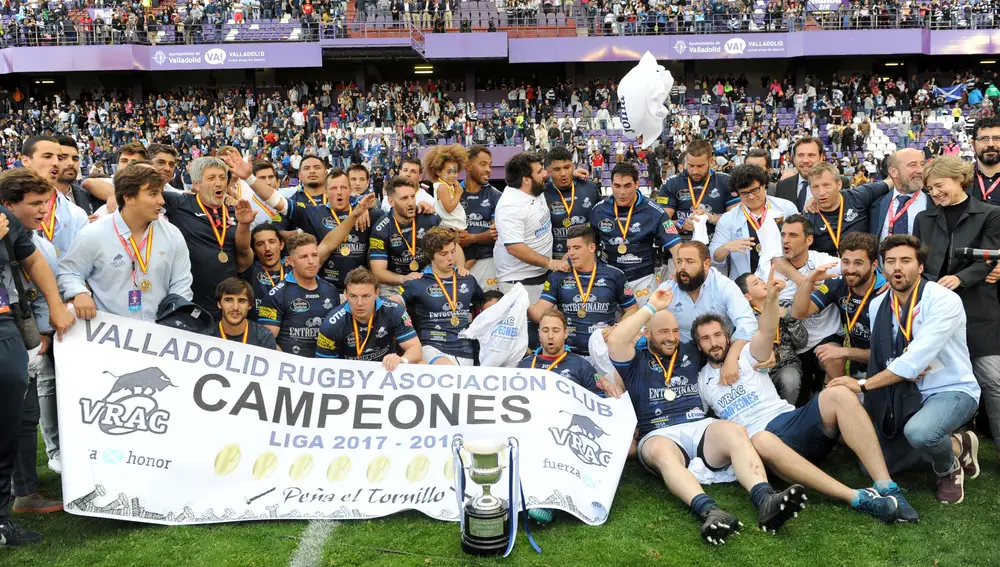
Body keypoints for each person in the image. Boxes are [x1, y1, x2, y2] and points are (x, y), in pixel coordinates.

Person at [695, 268, 914, 524]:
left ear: (727, 336)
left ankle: (887, 485)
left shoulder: (745, 355)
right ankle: (857, 498)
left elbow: (765, 332)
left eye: (718, 335)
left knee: (839, 394)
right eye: (706, 339)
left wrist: (772, 298)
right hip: (764, 450)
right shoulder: (702, 381)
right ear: (699, 346)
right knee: (761, 439)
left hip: (790, 423)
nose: (714, 343)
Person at [607, 287, 806, 544]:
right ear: (647, 334)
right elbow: (615, 341)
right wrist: (652, 307)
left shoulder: (691, 351)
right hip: (658, 431)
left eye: (675, 331)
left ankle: (765, 499)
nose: (671, 337)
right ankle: (710, 511)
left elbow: (730, 339)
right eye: (663, 332)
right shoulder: (635, 362)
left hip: (699, 425)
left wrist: (749, 355)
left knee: (734, 431)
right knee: (661, 453)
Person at [828, 235, 982, 504]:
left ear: (920, 267)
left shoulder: (944, 300)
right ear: (882, 268)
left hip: (950, 388)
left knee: (920, 433)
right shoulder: (878, 305)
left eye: (906, 261)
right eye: (891, 262)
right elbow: (889, 357)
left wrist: (862, 385)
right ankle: (959, 445)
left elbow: (914, 361)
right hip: (903, 391)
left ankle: (948, 468)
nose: (897, 268)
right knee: (872, 464)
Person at [0, 169, 76, 546]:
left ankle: (5, 519)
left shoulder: (12, 227)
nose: (43, 209)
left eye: (45, 202)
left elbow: (35, 263)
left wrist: (56, 306)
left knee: (12, 424)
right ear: (9, 203)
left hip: (7, 328)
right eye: (35, 204)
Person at [914, 156, 1000, 460]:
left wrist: (960, 279)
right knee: (938, 381)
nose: (934, 193)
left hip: (978, 312)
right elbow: (918, 262)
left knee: (993, 381)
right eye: (929, 189)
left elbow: (989, 258)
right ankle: (952, 446)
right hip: (934, 314)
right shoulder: (924, 219)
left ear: (958, 178)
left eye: (938, 186)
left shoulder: (991, 214)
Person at [518, 307, 623, 525]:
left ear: (566, 333)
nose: (550, 335)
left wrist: (607, 386)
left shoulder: (579, 364)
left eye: (556, 330)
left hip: (566, 430)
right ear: (538, 333)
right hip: (532, 426)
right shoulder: (524, 365)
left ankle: (546, 502)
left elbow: (596, 399)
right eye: (545, 330)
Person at [58, 163, 193, 321]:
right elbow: (69, 272)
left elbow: (181, 284)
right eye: (153, 194)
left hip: (161, 331)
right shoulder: (93, 234)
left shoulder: (172, 234)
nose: (162, 201)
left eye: (161, 193)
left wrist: (174, 319)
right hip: (112, 334)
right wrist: (79, 292)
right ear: (128, 197)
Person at [160, 156, 254, 319]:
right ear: (196, 184)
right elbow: (142, 191)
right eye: (211, 178)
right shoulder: (179, 203)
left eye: (222, 177)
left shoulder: (233, 210)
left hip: (227, 301)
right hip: (193, 300)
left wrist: (244, 225)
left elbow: (242, 252)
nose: (219, 183)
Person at [655, 241, 759, 384]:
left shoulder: (724, 286)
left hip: (721, 351)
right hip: (683, 356)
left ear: (706, 264)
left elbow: (748, 325)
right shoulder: (666, 290)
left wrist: (731, 358)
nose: (682, 267)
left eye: (689, 261)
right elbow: (646, 328)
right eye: (679, 262)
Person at [529, 225, 636, 358]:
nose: (570, 253)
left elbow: (633, 309)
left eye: (576, 248)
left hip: (604, 352)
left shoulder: (614, 275)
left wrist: (617, 327)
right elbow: (539, 313)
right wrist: (521, 299)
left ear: (592, 248)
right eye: (569, 248)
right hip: (568, 356)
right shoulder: (558, 276)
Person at [790, 232, 885, 380]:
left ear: (874, 265)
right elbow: (798, 313)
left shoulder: (886, 292)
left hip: (886, 365)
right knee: (831, 356)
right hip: (857, 361)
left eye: (858, 263)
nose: (850, 269)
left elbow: (885, 354)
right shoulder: (838, 283)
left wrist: (845, 352)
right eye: (846, 262)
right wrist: (808, 281)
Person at [765, 214, 843, 392]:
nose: (786, 240)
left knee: (833, 359)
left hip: (823, 339)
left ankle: (835, 404)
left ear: (809, 240)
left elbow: (858, 267)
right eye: (783, 235)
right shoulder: (769, 268)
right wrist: (802, 281)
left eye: (793, 236)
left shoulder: (825, 262)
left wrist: (883, 282)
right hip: (788, 349)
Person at [591, 162, 681, 307]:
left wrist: (679, 266)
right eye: (617, 186)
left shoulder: (654, 211)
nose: (622, 192)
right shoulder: (598, 210)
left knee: (646, 326)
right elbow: (589, 244)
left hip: (642, 280)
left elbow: (676, 244)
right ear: (611, 184)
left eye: (627, 186)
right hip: (609, 279)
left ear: (637, 184)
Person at [400, 227, 484, 366]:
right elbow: (391, 305)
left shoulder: (467, 279)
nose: (450, 257)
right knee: (448, 372)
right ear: (431, 255)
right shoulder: (417, 282)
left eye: (452, 251)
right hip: (433, 347)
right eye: (444, 254)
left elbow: (484, 306)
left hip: (465, 349)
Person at [315, 267, 422, 370]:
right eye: (353, 296)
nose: (359, 303)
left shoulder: (394, 311)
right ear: (345, 294)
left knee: (422, 364)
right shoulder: (332, 323)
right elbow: (323, 366)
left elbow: (415, 349)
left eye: (366, 296)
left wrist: (402, 360)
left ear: (377, 294)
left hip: (385, 369)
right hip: (348, 375)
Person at [494, 152, 563, 302]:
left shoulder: (534, 188)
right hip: (519, 282)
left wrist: (573, 174)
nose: (545, 174)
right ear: (526, 179)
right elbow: (514, 247)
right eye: (539, 172)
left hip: (541, 276)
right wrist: (550, 263)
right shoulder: (510, 206)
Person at [259, 232, 340, 357]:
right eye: (303, 257)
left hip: (324, 367)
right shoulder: (276, 294)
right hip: (292, 369)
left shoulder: (331, 290)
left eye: (314, 255)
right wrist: (290, 365)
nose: (311, 261)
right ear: (291, 261)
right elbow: (267, 341)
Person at [711, 164, 798, 278]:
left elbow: (801, 240)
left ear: (764, 185)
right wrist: (726, 247)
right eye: (744, 193)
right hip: (746, 288)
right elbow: (714, 256)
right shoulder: (728, 218)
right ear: (737, 193)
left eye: (755, 190)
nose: (751, 197)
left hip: (783, 281)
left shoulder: (786, 208)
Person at [734, 272, 808, 405]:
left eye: (760, 280)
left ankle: (787, 417)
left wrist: (788, 317)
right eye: (756, 283)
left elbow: (802, 342)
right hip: (758, 371)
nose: (763, 283)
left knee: (790, 380)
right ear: (747, 296)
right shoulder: (746, 319)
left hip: (787, 365)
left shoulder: (784, 305)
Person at [369, 176, 445, 297]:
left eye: (413, 196)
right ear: (391, 202)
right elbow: (378, 272)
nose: (410, 203)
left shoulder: (430, 218)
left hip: (428, 278)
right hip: (394, 284)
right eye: (404, 198)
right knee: (391, 309)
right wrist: (404, 279)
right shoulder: (381, 228)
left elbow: (451, 249)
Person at [803, 162, 893, 256]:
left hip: (861, 266)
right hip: (828, 269)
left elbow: (892, 181)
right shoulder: (807, 218)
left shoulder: (858, 196)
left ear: (839, 184)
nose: (821, 192)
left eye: (826, 185)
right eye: (815, 187)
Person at [21, 136, 89, 257]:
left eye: (59, 158)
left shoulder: (77, 214)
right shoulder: (5, 206)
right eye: (47, 156)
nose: (56, 163)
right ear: (26, 161)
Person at [659, 139, 737, 242]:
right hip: (682, 247)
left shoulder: (726, 182)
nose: (695, 171)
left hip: (717, 246)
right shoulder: (670, 184)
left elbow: (736, 221)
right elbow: (661, 224)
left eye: (700, 166)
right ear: (686, 159)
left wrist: (712, 218)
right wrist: (681, 224)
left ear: (711, 161)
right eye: (691, 165)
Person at [544, 146, 602, 260]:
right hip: (556, 261)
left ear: (573, 166)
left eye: (567, 167)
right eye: (557, 169)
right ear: (548, 171)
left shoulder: (590, 188)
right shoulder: (541, 192)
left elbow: (603, 218)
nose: (563, 173)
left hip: (587, 260)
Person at [457, 146, 501, 291]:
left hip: (488, 262)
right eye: (483, 164)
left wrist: (472, 238)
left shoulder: (496, 196)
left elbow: (497, 233)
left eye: (490, 165)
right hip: (459, 262)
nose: (488, 169)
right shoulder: (453, 193)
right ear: (468, 166)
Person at [775, 136, 850, 210]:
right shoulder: (782, 186)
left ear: (821, 157)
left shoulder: (839, 183)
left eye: (811, 155)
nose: (805, 160)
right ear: (794, 158)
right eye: (800, 155)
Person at [870, 148, 928, 242]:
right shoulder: (876, 206)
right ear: (893, 172)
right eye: (913, 165)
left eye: (922, 164)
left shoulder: (935, 204)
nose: (920, 170)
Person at [215, 277, 276, 349]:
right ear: (219, 304)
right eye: (228, 300)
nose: (235, 307)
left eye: (242, 301)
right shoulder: (205, 336)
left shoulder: (264, 337)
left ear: (250, 305)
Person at [245, 224, 286, 322]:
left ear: (281, 245)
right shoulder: (249, 269)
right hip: (258, 334)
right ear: (253, 250)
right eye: (260, 244)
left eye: (272, 242)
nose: (267, 248)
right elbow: (242, 249)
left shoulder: (294, 267)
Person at [425, 143, 468, 231]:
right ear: (438, 172)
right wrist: (458, 193)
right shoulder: (442, 187)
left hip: (454, 227)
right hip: (449, 229)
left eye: (455, 172)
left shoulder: (447, 185)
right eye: (448, 172)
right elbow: (449, 208)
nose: (452, 175)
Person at [54, 135, 101, 215]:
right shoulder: (35, 199)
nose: (71, 163)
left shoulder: (84, 195)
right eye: (62, 157)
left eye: (75, 159)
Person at [970, 115, 1000, 207]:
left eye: (997, 138)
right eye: (983, 139)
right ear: (973, 144)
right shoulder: (959, 179)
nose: (990, 144)